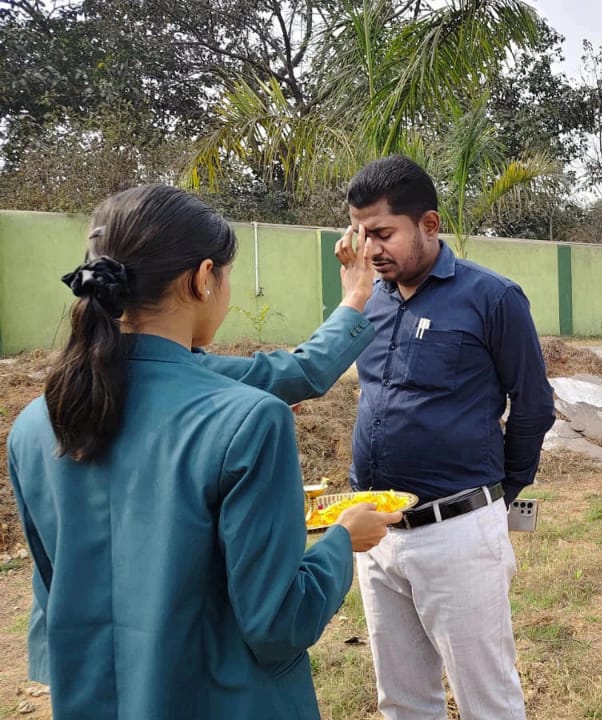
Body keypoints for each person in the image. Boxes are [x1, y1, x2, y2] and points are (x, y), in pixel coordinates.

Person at [5, 184, 403, 719]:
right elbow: (278, 622)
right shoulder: (250, 421)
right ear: (203, 277)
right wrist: (342, 542)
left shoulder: (37, 424)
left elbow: (52, 601)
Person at [343, 155, 556, 719]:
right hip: (377, 533)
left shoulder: (492, 298)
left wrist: (500, 493)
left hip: (458, 531)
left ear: (429, 225)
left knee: (487, 699)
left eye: (382, 233)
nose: (369, 249)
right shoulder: (369, 301)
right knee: (402, 699)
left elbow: (533, 405)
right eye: (361, 234)